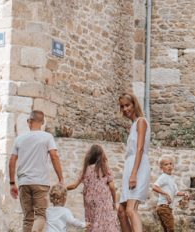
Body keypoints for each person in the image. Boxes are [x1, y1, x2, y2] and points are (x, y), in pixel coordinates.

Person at [9, 110, 65, 232]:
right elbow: (54, 156)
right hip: (40, 183)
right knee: (41, 215)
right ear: (43, 122)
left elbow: (12, 160)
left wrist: (12, 183)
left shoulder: (19, 139)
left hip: (24, 183)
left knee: (28, 218)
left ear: (29, 121)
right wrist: (60, 178)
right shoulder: (47, 137)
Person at [65, 144, 122, 232]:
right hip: (103, 201)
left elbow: (74, 185)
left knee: (92, 223)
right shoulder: (105, 169)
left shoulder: (86, 169)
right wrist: (114, 202)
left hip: (89, 202)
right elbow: (112, 187)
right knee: (105, 223)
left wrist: (62, 187)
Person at [117, 94, 152, 232]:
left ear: (134, 104)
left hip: (138, 167)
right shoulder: (133, 125)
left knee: (131, 210)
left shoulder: (141, 122)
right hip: (130, 166)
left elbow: (140, 148)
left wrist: (134, 174)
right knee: (121, 211)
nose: (125, 109)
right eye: (122, 106)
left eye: (127, 105)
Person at [150, 156, 188, 232]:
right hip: (163, 207)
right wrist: (166, 194)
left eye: (170, 164)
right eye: (166, 164)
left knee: (167, 230)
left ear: (173, 165)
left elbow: (176, 192)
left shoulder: (172, 178)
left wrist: (184, 193)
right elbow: (154, 187)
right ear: (161, 167)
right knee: (171, 229)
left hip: (167, 208)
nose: (169, 166)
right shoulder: (163, 177)